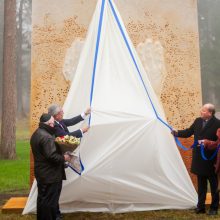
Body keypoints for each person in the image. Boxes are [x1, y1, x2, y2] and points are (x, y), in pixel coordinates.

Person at [172, 103, 220, 215]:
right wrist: (177, 132)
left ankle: (214, 208)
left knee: (213, 186)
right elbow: (188, 132)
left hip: (211, 159)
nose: (201, 112)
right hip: (199, 158)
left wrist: (207, 143)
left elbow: (218, 143)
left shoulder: (218, 123)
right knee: (201, 185)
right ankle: (201, 207)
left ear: (210, 113)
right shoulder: (197, 121)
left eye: (203, 110)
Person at [31, 113, 71, 220]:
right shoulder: (47, 137)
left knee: (42, 200)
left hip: (42, 173)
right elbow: (52, 156)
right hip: (50, 175)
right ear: (48, 123)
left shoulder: (37, 133)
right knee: (50, 202)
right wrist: (64, 158)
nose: (54, 125)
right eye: (53, 123)